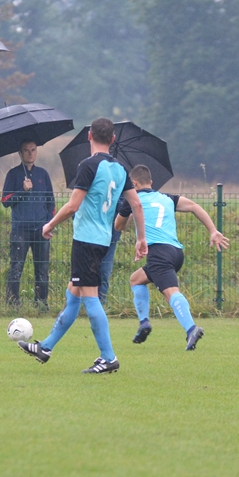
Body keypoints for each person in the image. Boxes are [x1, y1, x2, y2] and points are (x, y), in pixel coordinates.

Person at [17, 117, 148, 374]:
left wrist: (50, 224)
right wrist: (141, 238)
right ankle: (45, 347)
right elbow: (137, 205)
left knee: (89, 297)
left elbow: (73, 205)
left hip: (87, 240)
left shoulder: (89, 165)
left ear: (89, 136)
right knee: (73, 294)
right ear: (112, 140)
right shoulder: (121, 169)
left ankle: (108, 357)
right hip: (103, 239)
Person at [115, 164, 230, 350]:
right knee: (136, 279)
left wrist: (124, 208)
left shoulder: (132, 200)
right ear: (151, 183)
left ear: (133, 183)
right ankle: (143, 323)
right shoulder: (166, 198)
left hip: (159, 253)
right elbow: (194, 206)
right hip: (175, 252)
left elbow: (118, 227)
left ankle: (191, 328)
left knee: (171, 293)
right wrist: (213, 230)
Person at [1, 141, 55, 308]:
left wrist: (48, 224)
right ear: (20, 152)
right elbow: (5, 201)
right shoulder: (13, 174)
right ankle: (12, 303)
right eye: (26, 150)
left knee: (42, 269)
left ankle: (41, 303)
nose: (30, 153)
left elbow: (50, 202)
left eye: (33, 150)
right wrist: (21, 191)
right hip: (20, 230)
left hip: (41, 230)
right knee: (16, 268)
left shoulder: (43, 174)